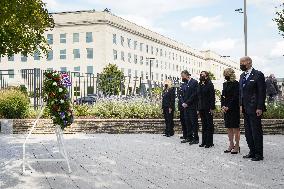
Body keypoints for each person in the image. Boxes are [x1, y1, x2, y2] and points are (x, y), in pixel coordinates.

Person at [240, 56, 266, 161]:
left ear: (249, 62)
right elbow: (241, 92)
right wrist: (241, 105)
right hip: (246, 108)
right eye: (240, 62)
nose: (241, 64)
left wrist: (260, 107)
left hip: (255, 108)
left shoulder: (258, 74)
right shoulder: (242, 75)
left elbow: (261, 92)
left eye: (242, 62)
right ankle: (252, 151)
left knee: (256, 131)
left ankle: (259, 154)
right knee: (248, 132)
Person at [221, 68, 240, 154]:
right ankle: (231, 144)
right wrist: (223, 106)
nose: (225, 76)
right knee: (228, 127)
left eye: (226, 74)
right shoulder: (225, 84)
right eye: (224, 74)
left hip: (233, 108)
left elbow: (235, 97)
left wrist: (228, 106)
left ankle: (237, 146)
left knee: (235, 127)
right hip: (226, 109)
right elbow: (223, 96)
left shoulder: (236, 83)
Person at [179, 70, 199, 145]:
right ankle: (189, 137)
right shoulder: (184, 84)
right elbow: (181, 94)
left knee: (194, 123)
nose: (182, 78)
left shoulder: (194, 82)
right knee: (187, 122)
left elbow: (194, 94)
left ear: (187, 75)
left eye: (183, 76)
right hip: (185, 107)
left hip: (192, 106)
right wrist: (183, 103)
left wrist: (187, 103)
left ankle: (195, 138)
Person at [197, 71, 215, 148]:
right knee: (204, 125)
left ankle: (209, 142)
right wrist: (198, 108)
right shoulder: (200, 84)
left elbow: (212, 97)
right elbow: (198, 97)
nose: (201, 76)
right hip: (201, 108)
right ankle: (203, 141)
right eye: (201, 75)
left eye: (203, 75)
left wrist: (212, 108)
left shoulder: (210, 84)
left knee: (209, 125)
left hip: (208, 107)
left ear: (207, 76)